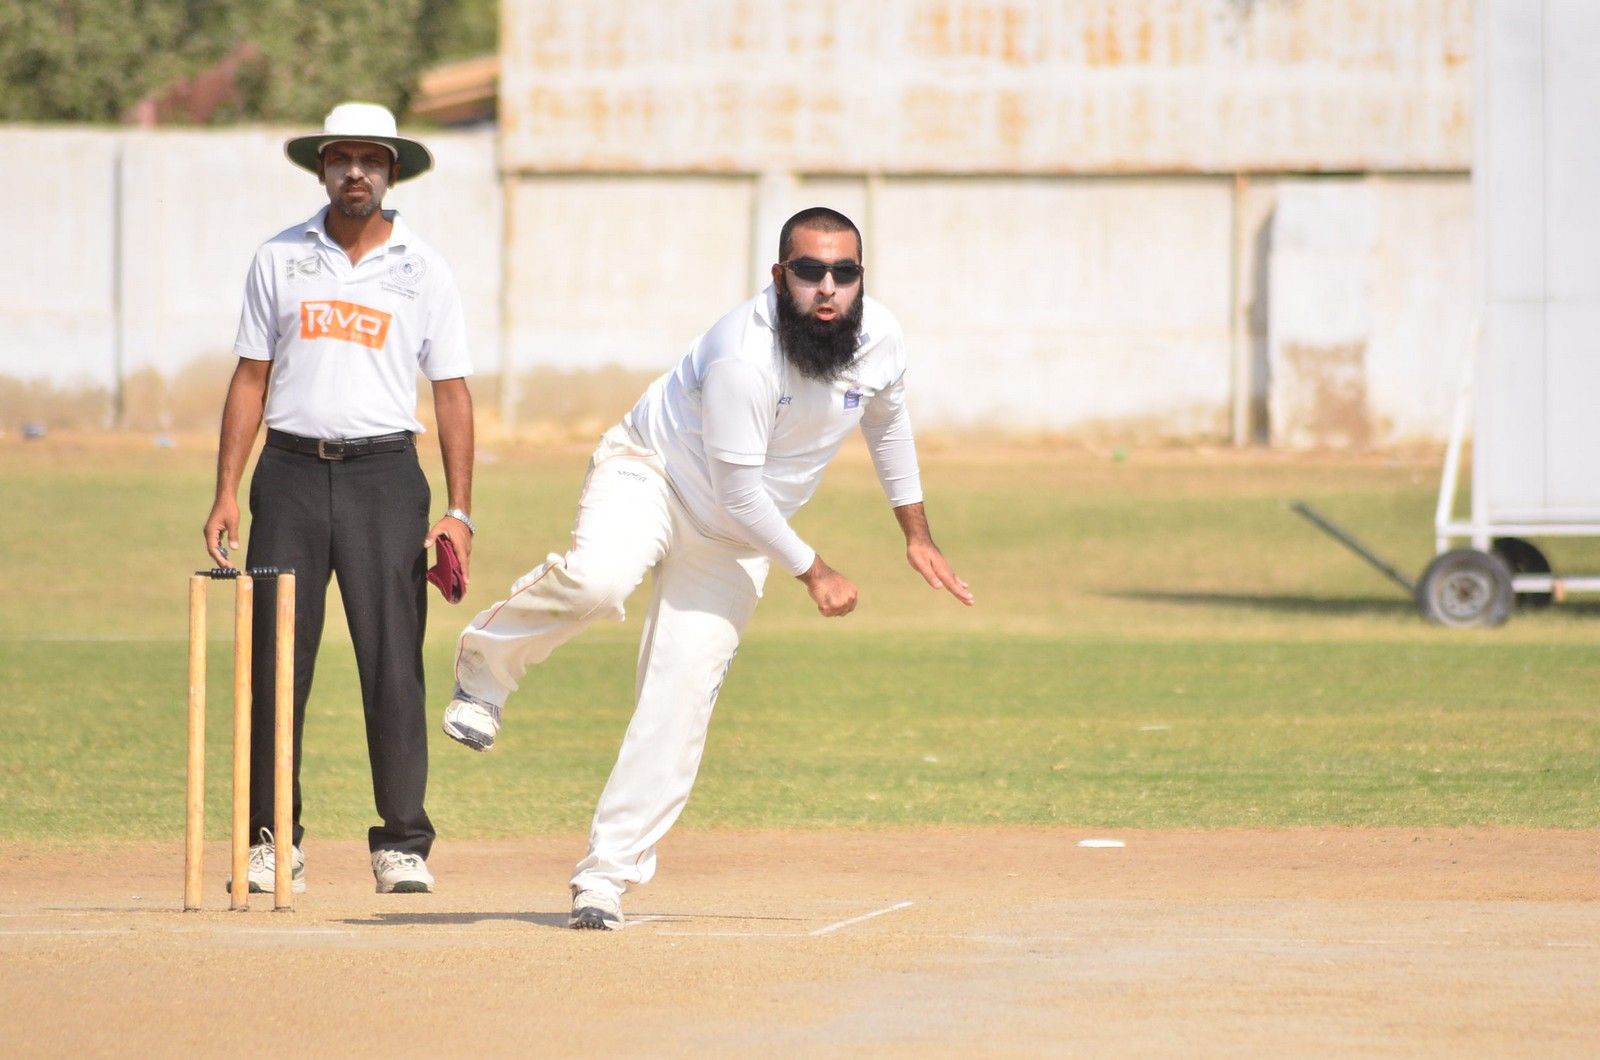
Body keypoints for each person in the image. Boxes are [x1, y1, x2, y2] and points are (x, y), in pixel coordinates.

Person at [442, 207, 972, 929]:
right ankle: (484, 667)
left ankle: (605, 877)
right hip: (653, 472)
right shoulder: (743, 354)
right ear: (779, 276)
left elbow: (887, 423)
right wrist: (814, 570)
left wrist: (917, 534)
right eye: (810, 271)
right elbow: (739, 493)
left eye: (844, 273)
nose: (827, 288)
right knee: (599, 582)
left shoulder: (880, 337)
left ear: (860, 278)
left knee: (681, 696)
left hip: (737, 538)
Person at [202, 102, 476, 895]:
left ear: (392, 172)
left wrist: (459, 510)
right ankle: (270, 842)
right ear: (323, 168)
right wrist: (226, 491)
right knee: (273, 663)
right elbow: (250, 377)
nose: (357, 172)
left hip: (385, 477)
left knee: (392, 664)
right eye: (342, 158)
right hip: (288, 475)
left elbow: (451, 392)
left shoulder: (424, 269)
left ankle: (402, 844)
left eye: (371, 159)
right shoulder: (279, 258)